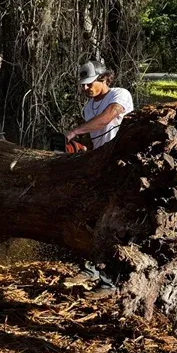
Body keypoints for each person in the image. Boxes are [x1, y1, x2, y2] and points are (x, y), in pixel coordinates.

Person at [63, 59, 134, 298]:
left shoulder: (119, 95)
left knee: (113, 224)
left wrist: (76, 131)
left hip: (126, 166)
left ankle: (110, 282)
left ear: (104, 79)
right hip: (103, 165)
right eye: (82, 85)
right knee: (88, 215)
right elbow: (95, 141)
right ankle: (90, 268)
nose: (85, 89)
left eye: (89, 84)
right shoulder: (87, 109)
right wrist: (79, 147)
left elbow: (109, 117)